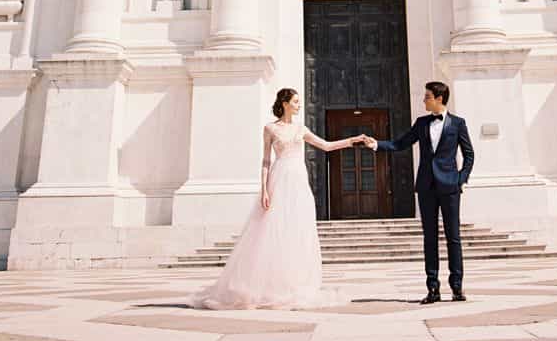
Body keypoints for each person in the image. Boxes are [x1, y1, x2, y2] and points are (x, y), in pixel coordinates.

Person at [192, 88, 370, 309]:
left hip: (298, 183)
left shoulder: (300, 128)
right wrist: (265, 190)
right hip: (279, 180)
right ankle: (266, 285)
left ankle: (293, 284)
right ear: (285, 103)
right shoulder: (270, 128)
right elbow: (266, 161)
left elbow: (326, 145)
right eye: (295, 101)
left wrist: (354, 140)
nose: (299, 105)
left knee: (297, 230)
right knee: (270, 231)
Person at [368, 81, 475, 303]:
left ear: (439, 98)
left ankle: (457, 287)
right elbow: (400, 143)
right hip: (426, 187)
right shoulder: (421, 123)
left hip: (450, 187)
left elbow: (469, 154)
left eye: (427, 96)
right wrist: (376, 144)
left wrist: (461, 179)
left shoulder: (458, 123)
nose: (423, 100)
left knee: (453, 237)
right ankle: (433, 289)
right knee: (430, 238)